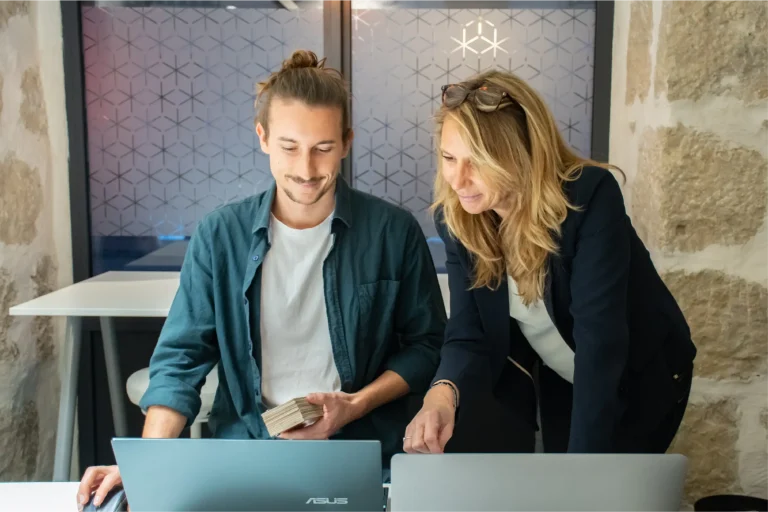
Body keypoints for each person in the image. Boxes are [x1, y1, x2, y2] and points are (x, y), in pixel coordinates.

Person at [77, 50, 446, 510]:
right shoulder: (220, 235)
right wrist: (146, 466)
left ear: (347, 142)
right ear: (263, 138)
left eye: (323, 148)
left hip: (363, 455)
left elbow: (427, 346)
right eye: (289, 147)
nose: (306, 170)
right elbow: (181, 358)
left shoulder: (393, 231)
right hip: (245, 453)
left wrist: (354, 405)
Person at [404, 69, 696, 456]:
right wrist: (441, 395)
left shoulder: (589, 198)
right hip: (563, 376)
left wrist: (580, 474)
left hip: (638, 374)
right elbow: (467, 331)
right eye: (448, 157)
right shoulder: (458, 217)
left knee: (603, 491)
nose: (458, 180)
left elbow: (600, 341)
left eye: (479, 161)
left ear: (521, 156)